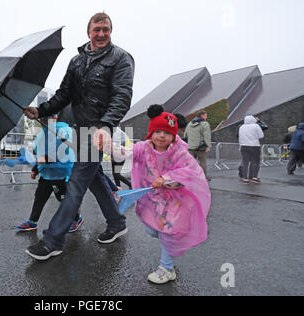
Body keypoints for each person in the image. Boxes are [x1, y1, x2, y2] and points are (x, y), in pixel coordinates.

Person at [23, 12, 135, 260]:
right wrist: (39, 110)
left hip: (98, 130)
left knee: (76, 182)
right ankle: (116, 222)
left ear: (110, 31)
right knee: (94, 179)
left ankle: (54, 239)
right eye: (97, 29)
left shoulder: (121, 58)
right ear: (89, 32)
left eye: (105, 29)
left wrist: (106, 126)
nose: (101, 33)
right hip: (78, 129)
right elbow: (64, 95)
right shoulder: (76, 61)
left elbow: (122, 96)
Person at [94, 105, 211, 284]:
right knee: (153, 230)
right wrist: (108, 145)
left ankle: (166, 268)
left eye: (166, 132)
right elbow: (125, 152)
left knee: (167, 233)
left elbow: (191, 172)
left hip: (175, 202)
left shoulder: (180, 153)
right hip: (153, 201)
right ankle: (170, 250)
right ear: (151, 132)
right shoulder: (143, 148)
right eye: (157, 131)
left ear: (174, 135)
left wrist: (166, 178)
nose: (162, 135)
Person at [14, 115, 84, 233]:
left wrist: (40, 160)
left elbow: (60, 152)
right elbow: (40, 150)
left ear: (55, 117)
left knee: (63, 198)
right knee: (40, 197)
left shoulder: (63, 131)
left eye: (46, 118)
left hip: (60, 175)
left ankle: (77, 218)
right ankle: (32, 222)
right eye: (42, 119)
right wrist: (35, 170)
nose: (43, 121)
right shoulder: (44, 133)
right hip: (46, 173)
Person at [184, 110, 211, 181]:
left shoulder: (189, 123)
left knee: (190, 163)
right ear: (202, 116)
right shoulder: (205, 124)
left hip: (190, 147)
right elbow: (207, 136)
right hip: (200, 148)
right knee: (202, 162)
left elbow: (185, 135)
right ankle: (202, 177)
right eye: (206, 115)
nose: (206, 117)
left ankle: (189, 176)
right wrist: (208, 146)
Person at [238, 115, 264, 184]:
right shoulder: (255, 126)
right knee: (255, 162)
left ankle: (245, 178)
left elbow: (240, 137)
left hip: (243, 146)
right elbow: (261, 135)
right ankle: (254, 177)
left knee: (245, 162)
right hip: (254, 146)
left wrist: (240, 146)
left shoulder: (242, 127)